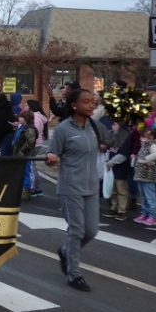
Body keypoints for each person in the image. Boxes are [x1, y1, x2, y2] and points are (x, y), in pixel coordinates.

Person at [47, 88, 110, 292]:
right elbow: (52, 155)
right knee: (77, 231)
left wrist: (125, 121)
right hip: (71, 187)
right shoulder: (63, 129)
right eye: (86, 101)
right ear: (74, 105)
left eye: (93, 101)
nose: (91, 105)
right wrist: (52, 159)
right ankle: (74, 274)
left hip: (91, 187)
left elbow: (112, 141)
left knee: (91, 231)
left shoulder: (94, 125)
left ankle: (65, 252)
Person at [132, 127, 156, 226]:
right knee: (143, 196)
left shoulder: (152, 145)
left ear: (152, 137)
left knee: (150, 196)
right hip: (141, 174)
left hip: (148, 175)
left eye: (147, 136)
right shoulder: (144, 145)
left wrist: (145, 159)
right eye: (143, 136)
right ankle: (145, 214)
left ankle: (152, 217)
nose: (143, 138)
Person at [103, 120, 132, 221]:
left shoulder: (125, 138)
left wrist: (112, 162)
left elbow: (123, 155)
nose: (112, 126)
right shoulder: (112, 136)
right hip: (111, 168)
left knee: (121, 190)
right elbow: (108, 150)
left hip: (120, 168)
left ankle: (121, 210)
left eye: (115, 124)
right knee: (113, 189)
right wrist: (107, 160)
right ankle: (113, 208)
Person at [13, 110, 38, 201]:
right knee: (21, 172)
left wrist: (22, 151)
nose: (19, 118)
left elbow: (30, 142)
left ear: (26, 118)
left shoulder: (29, 128)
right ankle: (21, 190)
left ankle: (26, 191)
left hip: (25, 155)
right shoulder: (23, 127)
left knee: (26, 172)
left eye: (21, 116)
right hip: (20, 154)